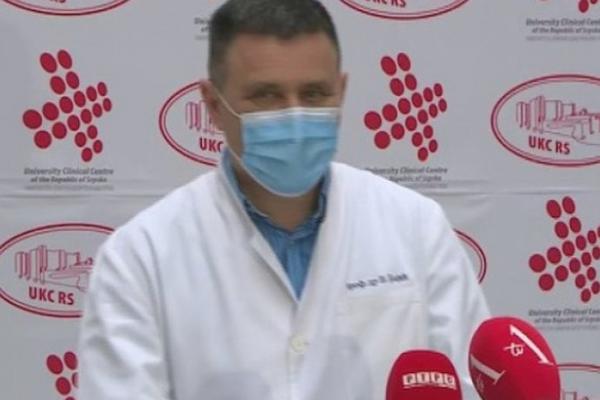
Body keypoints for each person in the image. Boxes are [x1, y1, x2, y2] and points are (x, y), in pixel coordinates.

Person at [78, 1, 490, 399]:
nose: (294, 116)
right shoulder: (140, 257)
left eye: (314, 94)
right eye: (266, 96)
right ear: (213, 106)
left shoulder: (416, 227)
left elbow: (473, 382)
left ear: (341, 91)